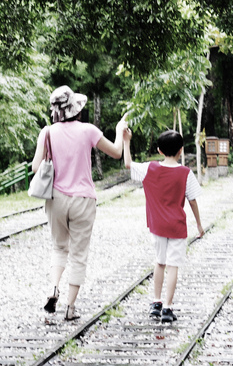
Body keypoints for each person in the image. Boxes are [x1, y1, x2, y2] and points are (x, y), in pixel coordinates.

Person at [31, 85, 128, 321]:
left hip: (56, 198)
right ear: (77, 109)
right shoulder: (88, 130)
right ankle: (70, 308)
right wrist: (120, 132)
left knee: (58, 247)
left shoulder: (47, 132)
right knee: (78, 254)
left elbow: (35, 168)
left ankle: (54, 287)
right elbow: (116, 152)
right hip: (83, 199)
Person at [123, 128, 204, 323]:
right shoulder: (186, 173)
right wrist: (199, 226)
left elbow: (127, 164)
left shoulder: (149, 168)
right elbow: (192, 201)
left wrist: (126, 141)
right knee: (173, 265)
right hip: (177, 227)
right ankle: (167, 307)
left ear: (159, 150)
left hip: (157, 226)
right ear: (181, 151)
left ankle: (156, 302)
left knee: (160, 262)